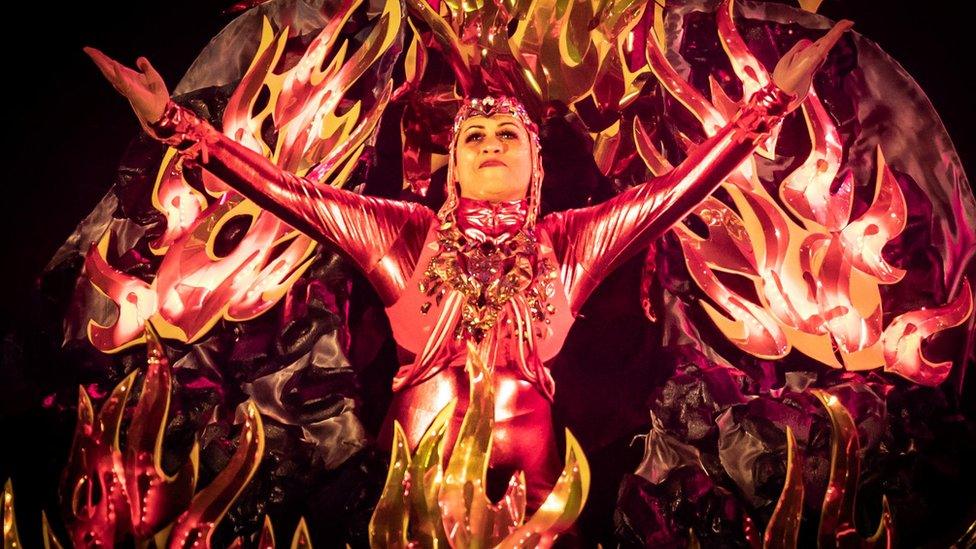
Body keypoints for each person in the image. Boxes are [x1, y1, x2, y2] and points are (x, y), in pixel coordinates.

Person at [84, 18, 851, 510]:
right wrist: (176, 125)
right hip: (414, 486)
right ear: (451, 168)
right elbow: (289, 194)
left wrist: (769, 106)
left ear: (536, 170)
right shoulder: (403, 235)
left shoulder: (568, 241)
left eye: (506, 138)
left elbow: (677, 190)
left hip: (541, 485)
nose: (489, 144)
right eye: (474, 138)